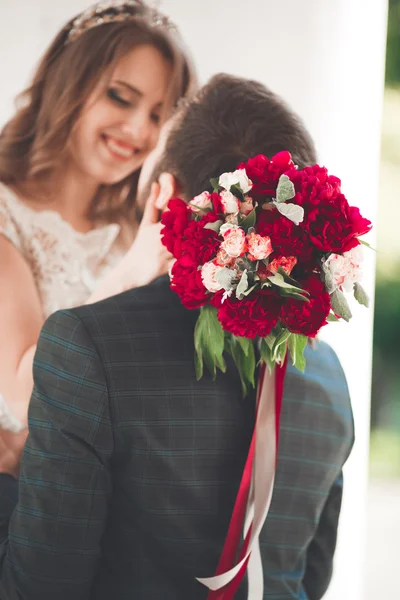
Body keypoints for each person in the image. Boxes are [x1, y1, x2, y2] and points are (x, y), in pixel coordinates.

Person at [0, 74, 353, 600]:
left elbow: (42, 585)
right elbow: (309, 579)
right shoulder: (327, 375)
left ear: (165, 195)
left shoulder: (85, 345)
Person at [0, 0, 196, 473]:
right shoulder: (6, 215)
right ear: (66, 85)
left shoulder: (139, 231)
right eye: (120, 97)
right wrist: (135, 270)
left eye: (157, 115)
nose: (138, 130)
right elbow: (30, 400)